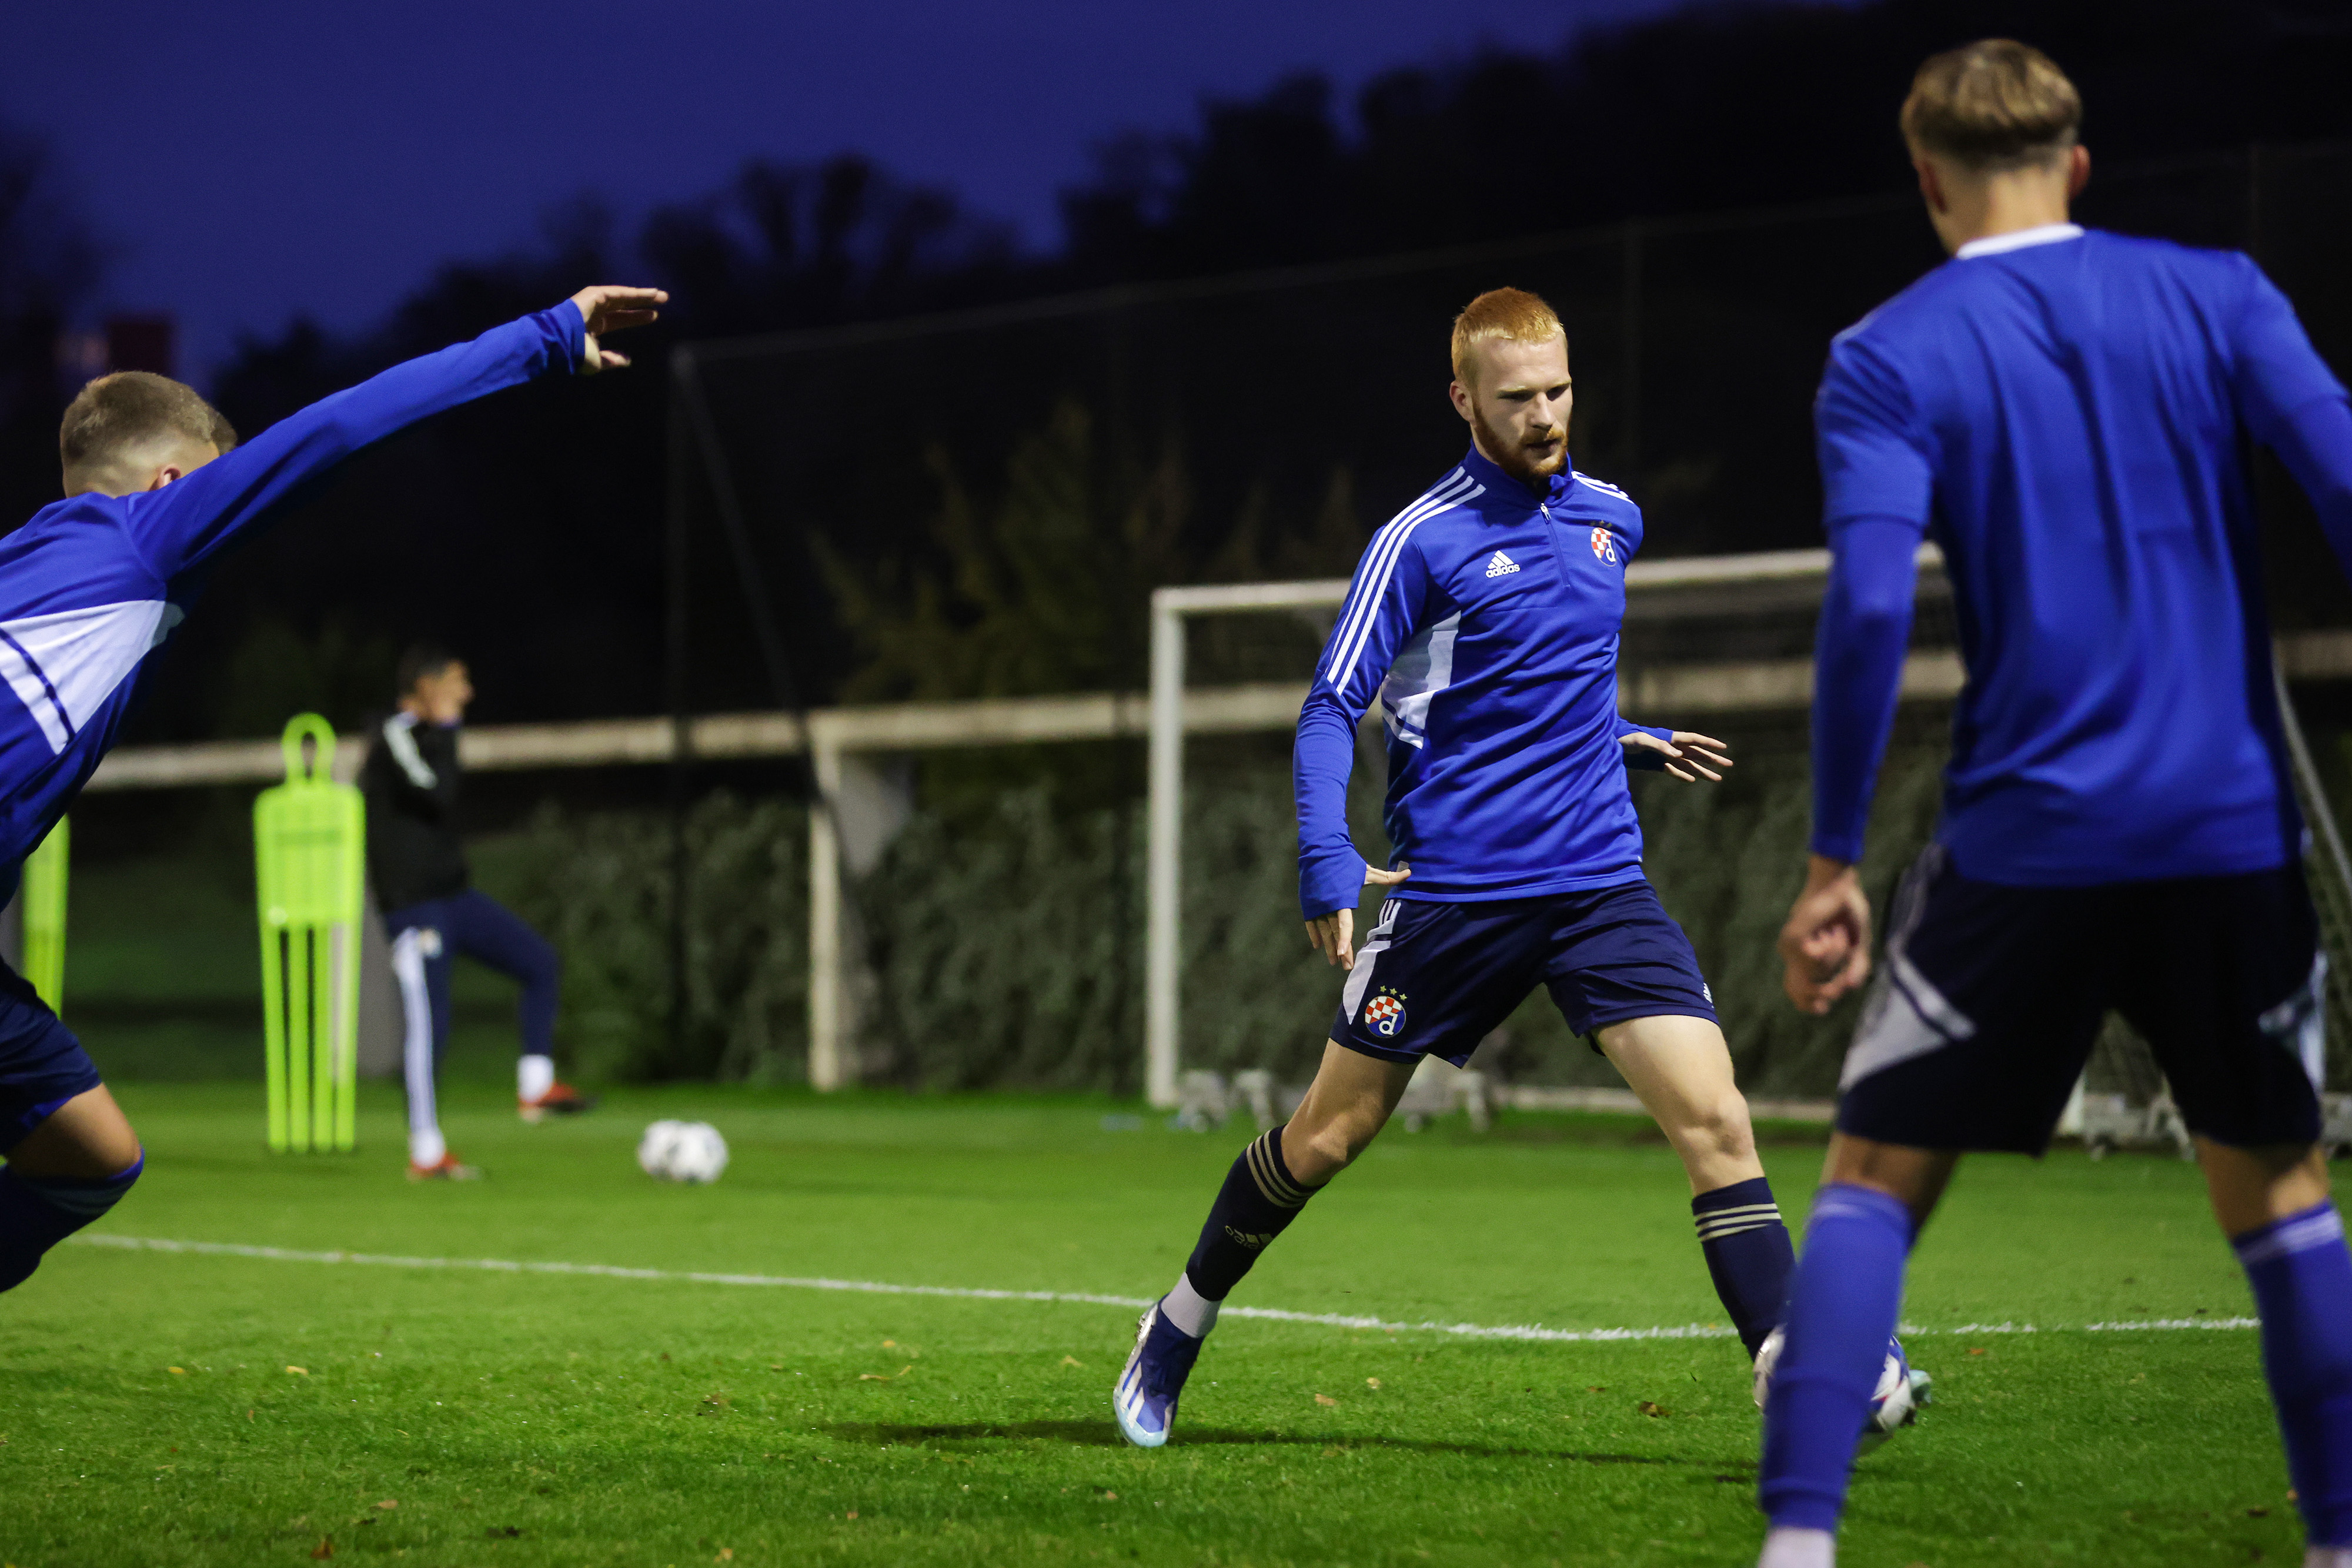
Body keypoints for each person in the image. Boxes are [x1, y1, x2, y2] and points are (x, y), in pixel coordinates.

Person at [1115, 286, 1903, 1448]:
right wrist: (1326, 851)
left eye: (1559, 389)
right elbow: (1333, 702)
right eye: (1518, 396)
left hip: (1596, 884)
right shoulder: (1419, 539)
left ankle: (1793, 1362)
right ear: (1462, 400)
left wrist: (1618, 735)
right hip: (1452, 898)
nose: (1545, 415)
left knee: (1715, 1118)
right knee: (1324, 1139)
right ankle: (1179, 1319)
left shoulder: (1612, 519)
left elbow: (1540, 681)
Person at [1760, 39, 2352, 1568]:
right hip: (2228, 832)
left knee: (1872, 1179)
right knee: (2280, 1196)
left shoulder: (1885, 351)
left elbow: (1867, 611)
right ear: (2077, 164)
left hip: (2023, 844)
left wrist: (1831, 858)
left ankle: (1799, 1546)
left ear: (1928, 181)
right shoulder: (2221, 294)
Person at [0, 282, 663, 1291]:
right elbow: (344, 423)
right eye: (210, 489)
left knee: (90, 1152)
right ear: (170, 483)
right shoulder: (144, 532)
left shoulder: (27, 561)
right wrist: (547, 338)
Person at [365, 644, 593, 1182]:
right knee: (430, 1028)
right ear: (427, 687)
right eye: (457, 683)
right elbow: (437, 792)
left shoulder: (434, 736)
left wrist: (446, 731)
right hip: (415, 907)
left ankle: (536, 1087)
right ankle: (426, 1152)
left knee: (539, 962)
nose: (466, 694)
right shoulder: (395, 734)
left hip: (453, 898)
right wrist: (446, 728)